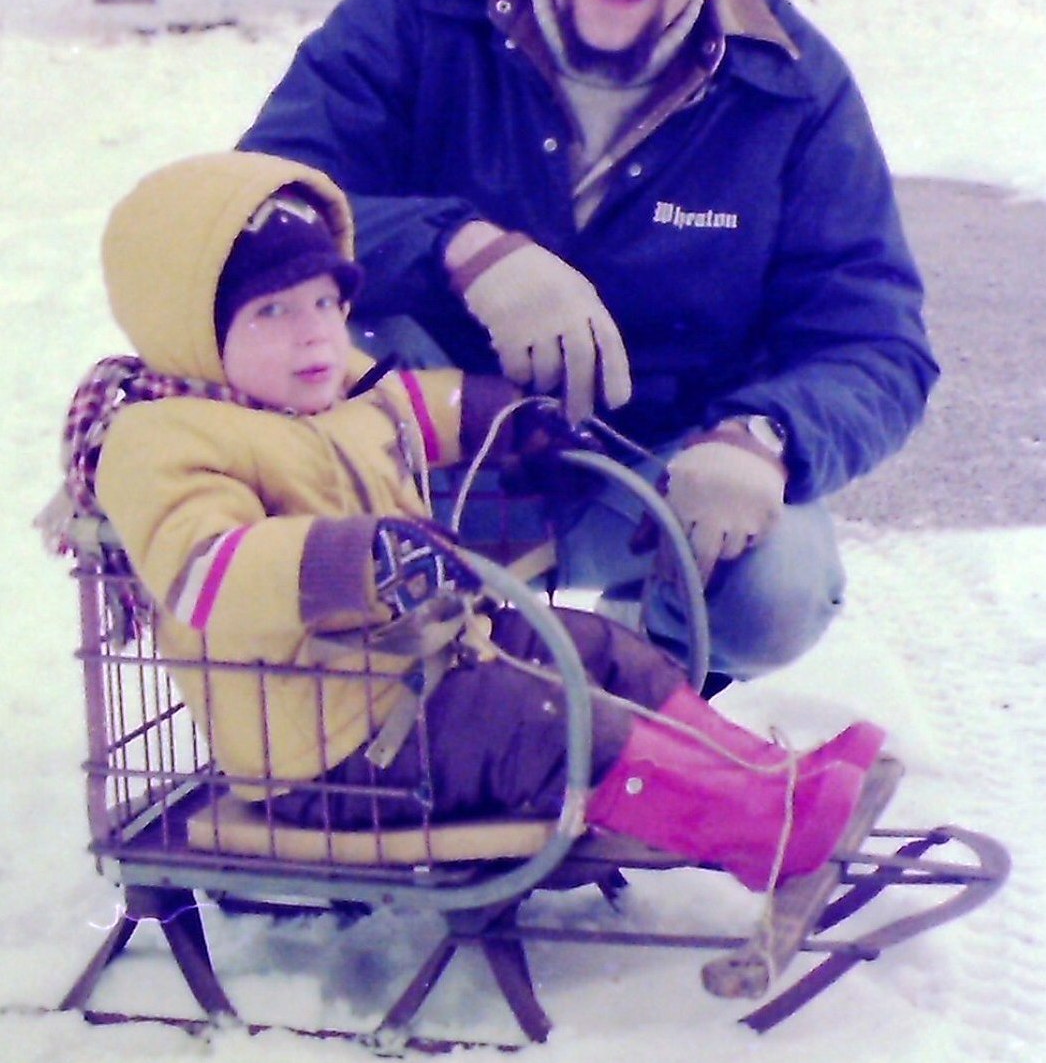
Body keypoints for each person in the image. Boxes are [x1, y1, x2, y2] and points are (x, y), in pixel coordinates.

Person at [238, 0, 939, 680]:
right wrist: (464, 247)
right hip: (422, 459)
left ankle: (645, 705)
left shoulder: (792, 88)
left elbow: (877, 340)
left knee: (780, 583)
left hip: (644, 478)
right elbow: (261, 203)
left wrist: (763, 436)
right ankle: (403, 682)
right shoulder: (416, 15)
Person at [55, 148, 887, 893]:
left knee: (599, 651)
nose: (313, 332)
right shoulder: (162, 438)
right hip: (333, 753)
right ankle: (753, 831)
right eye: (272, 312)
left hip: (424, 671)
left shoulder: (329, 380)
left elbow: (413, 405)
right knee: (548, 726)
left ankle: (768, 779)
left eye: (325, 301)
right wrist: (350, 557)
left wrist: (504, 415)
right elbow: (204, 571)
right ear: (194, 323)